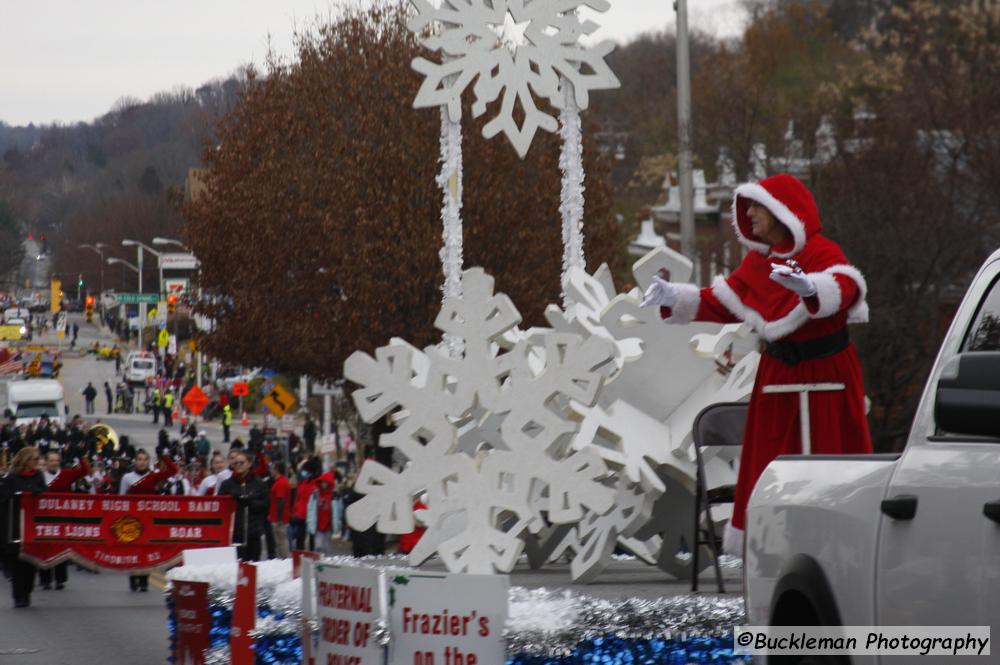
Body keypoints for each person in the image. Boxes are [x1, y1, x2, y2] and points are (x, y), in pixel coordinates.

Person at [641, 173, 872, 554]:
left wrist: (812, 289)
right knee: (771, 466)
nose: (748, 213)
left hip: (826, 377)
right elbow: (723, 302)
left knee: (831, 463)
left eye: (757, 206)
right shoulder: (756, 263)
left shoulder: (821, 252)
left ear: (783, 212)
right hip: (778, 379)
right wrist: (674, 298)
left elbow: (846, 288)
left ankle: (837, 548)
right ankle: (773, 548)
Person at [1, 447, 47, 607]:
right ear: (25, 460)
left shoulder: (39, 476)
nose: (37, 463)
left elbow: (44, 493)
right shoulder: (11, 478)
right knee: (18, 562)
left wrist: (36, 492)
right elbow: (4, 498)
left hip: (33, 524)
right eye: (34, 459)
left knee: (31, 563)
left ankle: (27, 591)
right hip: (15, 525)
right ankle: (18, 596)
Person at [217, 450, 269, 562]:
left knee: (253, 564)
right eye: (236, 463)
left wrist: (250, 502)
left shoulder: (259, 483)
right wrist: (233, 499)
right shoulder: (226, 484)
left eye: (242, 462)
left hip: (253, 531)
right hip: (235, 532)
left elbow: (265, 504)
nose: (239, 465)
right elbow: (220, 505)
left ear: (249, 464)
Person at [269, 463, 291, 559]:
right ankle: (283, 558)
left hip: (279, 518)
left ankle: (284, 559)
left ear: (276, 470)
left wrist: (278, 518)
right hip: (278, 516)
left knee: (281, 541)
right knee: (280, 541)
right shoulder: (281, 481)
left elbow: (281, 501)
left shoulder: (281, 483)